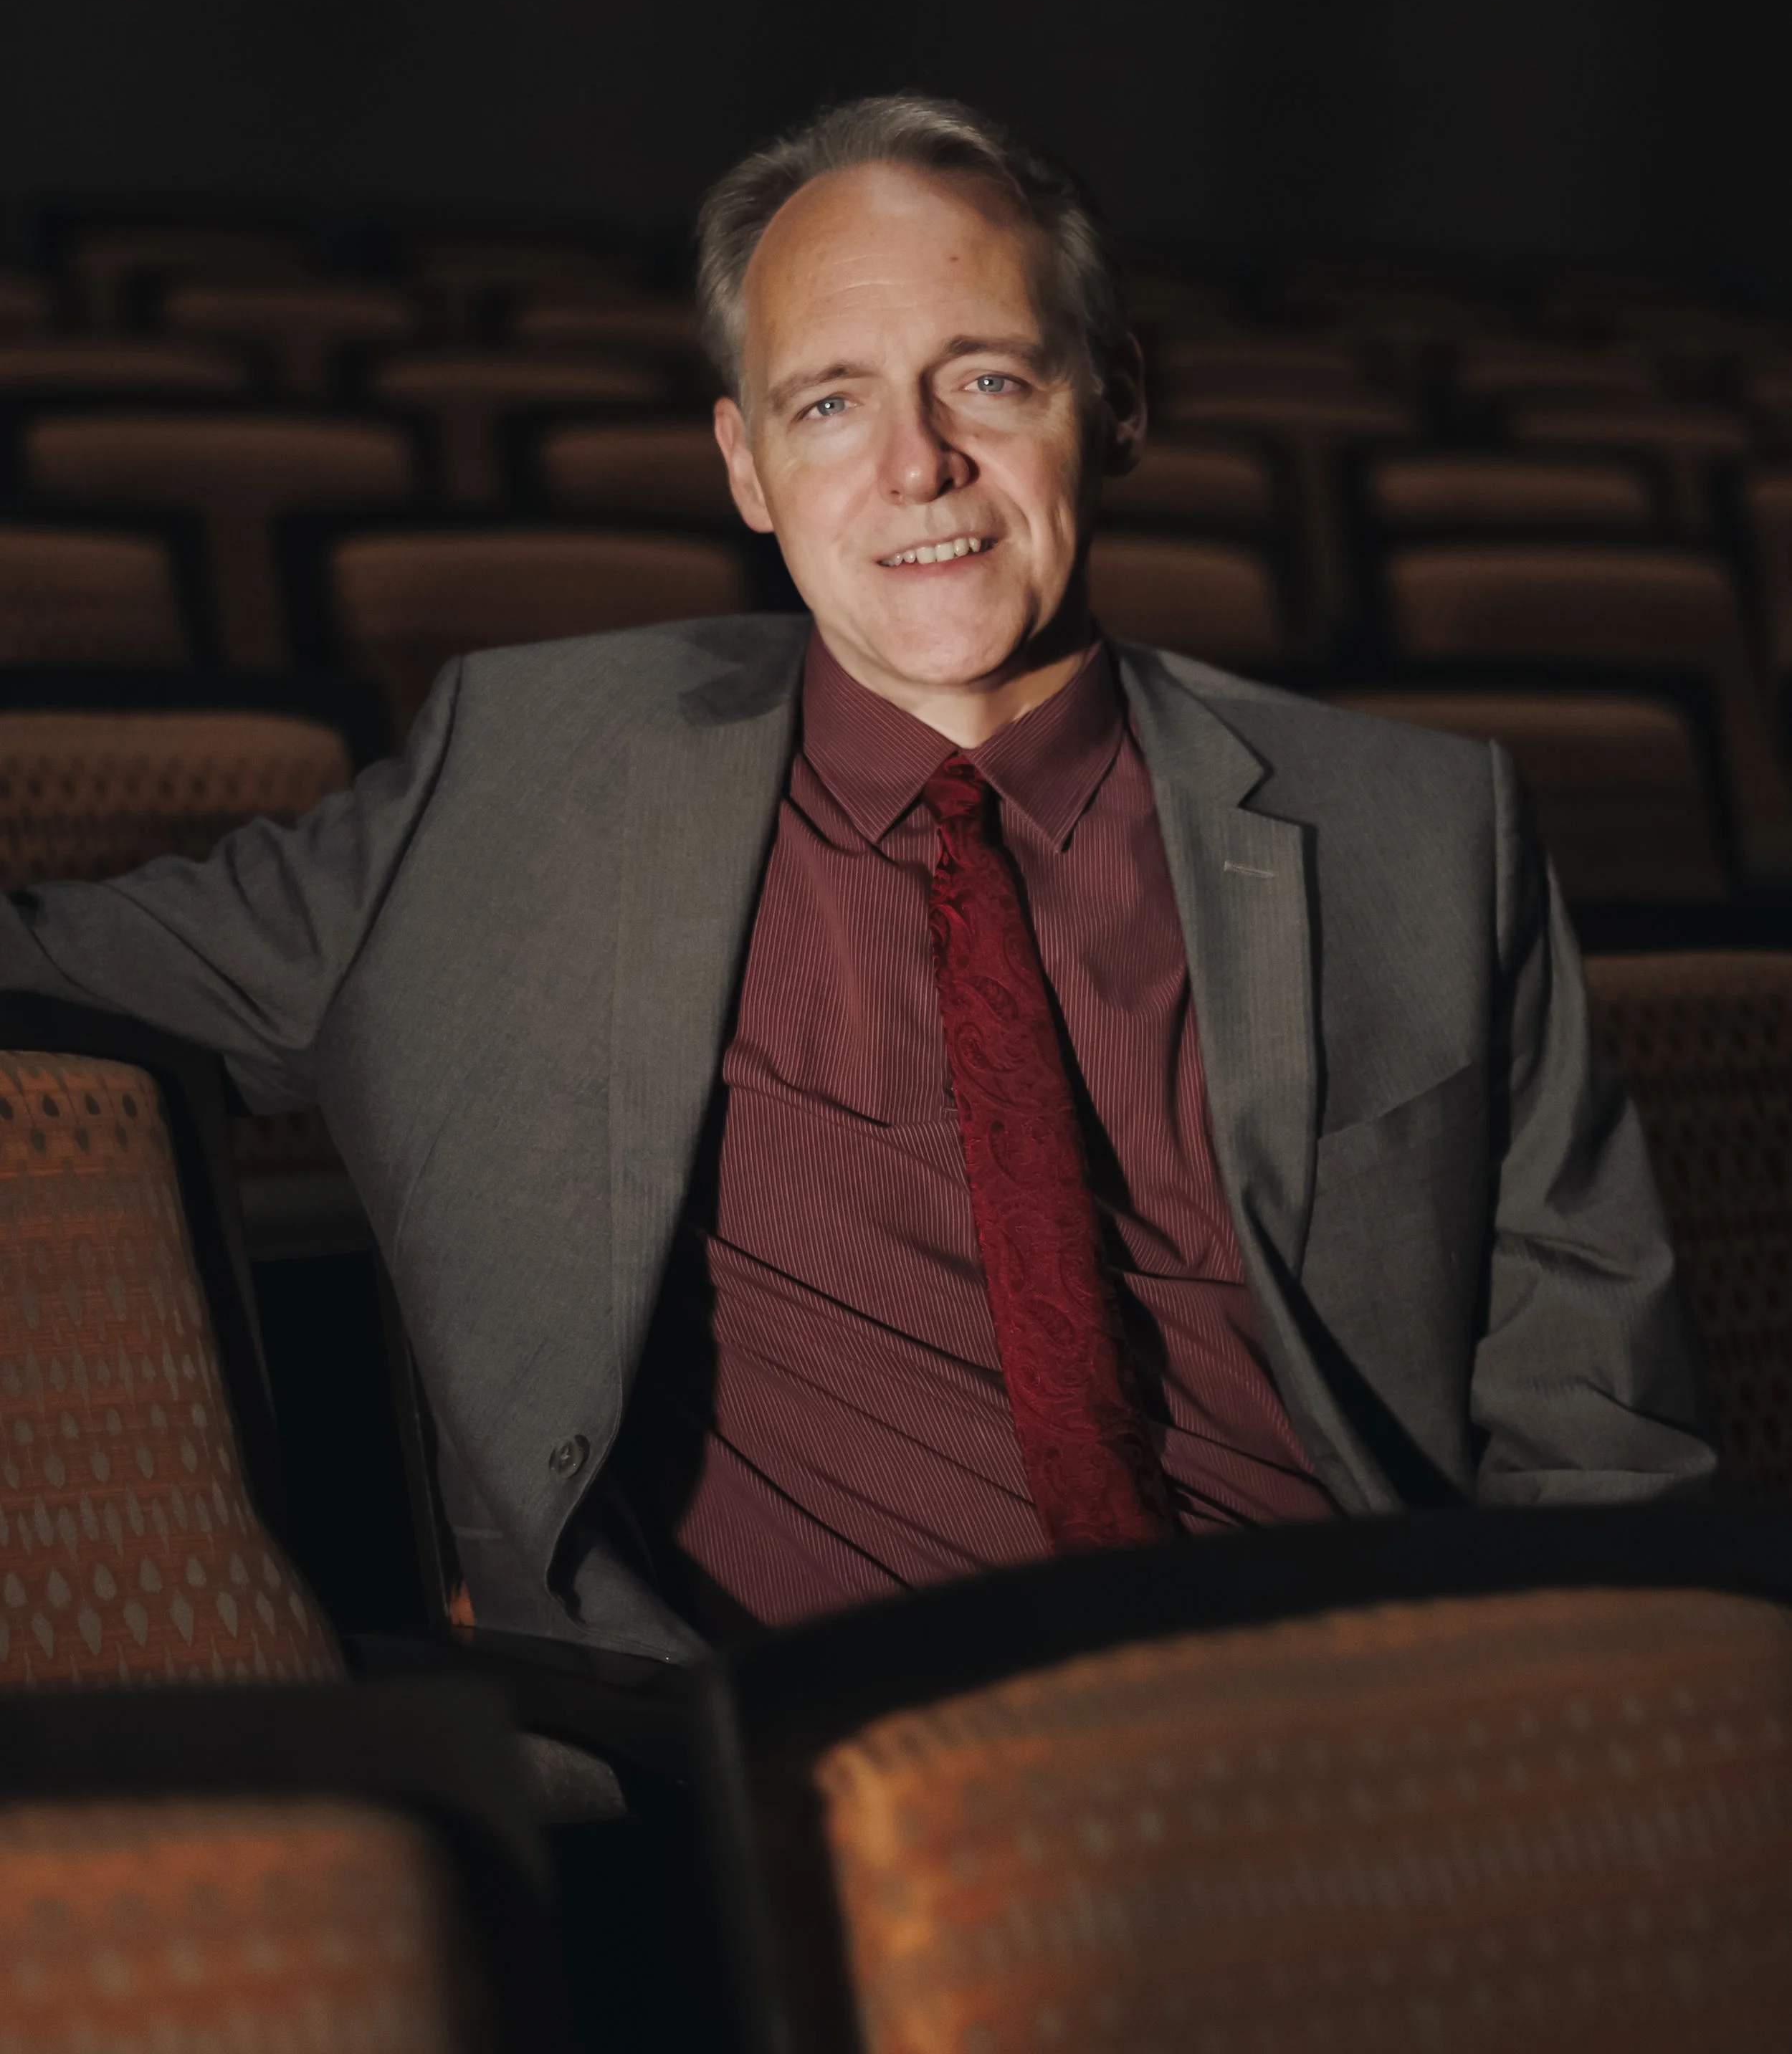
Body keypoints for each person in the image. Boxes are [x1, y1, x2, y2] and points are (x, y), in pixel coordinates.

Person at [0, 95, 1712, 1661]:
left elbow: (1598, 1435)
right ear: (747, 468)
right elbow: (62, 968)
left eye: (984, 377)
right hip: (795, 1804)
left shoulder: (1418, 831)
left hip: (1341, 1746)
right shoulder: (518, 786)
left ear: (1111, 403)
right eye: (833, 403)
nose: (915, 468)